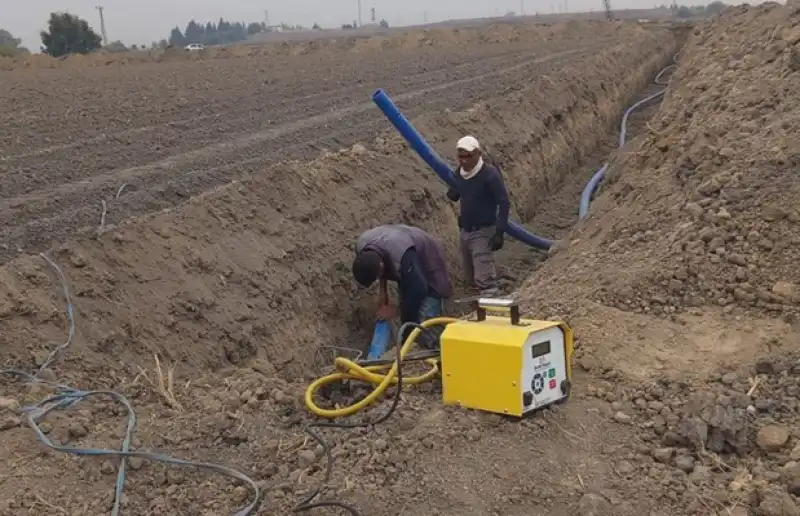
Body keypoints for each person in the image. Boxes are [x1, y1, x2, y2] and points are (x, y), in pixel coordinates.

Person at [352, 224, 453, 347]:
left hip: (427, 255)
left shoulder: (400, 255)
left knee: (424, 316)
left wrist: (394, 310)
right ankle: (408, 343)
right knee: (408, 311)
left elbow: (419, 289)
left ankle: (432, 346)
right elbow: (379, 262)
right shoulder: (362, 246)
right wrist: (383, 293)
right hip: (403, 246)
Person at [445, 135, 510, 296]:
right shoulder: (459, 173)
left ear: (478, 153)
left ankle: (491, 302)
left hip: (483, 231)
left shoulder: (490, 175)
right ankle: (476, 307)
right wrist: (454, 192)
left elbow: (504, 202)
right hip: (465, 231)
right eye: (461, 156)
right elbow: (459, 191)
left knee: (484, 279)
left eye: (468, 156)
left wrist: (499, 232)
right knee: (470, 278)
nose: (464, 160)